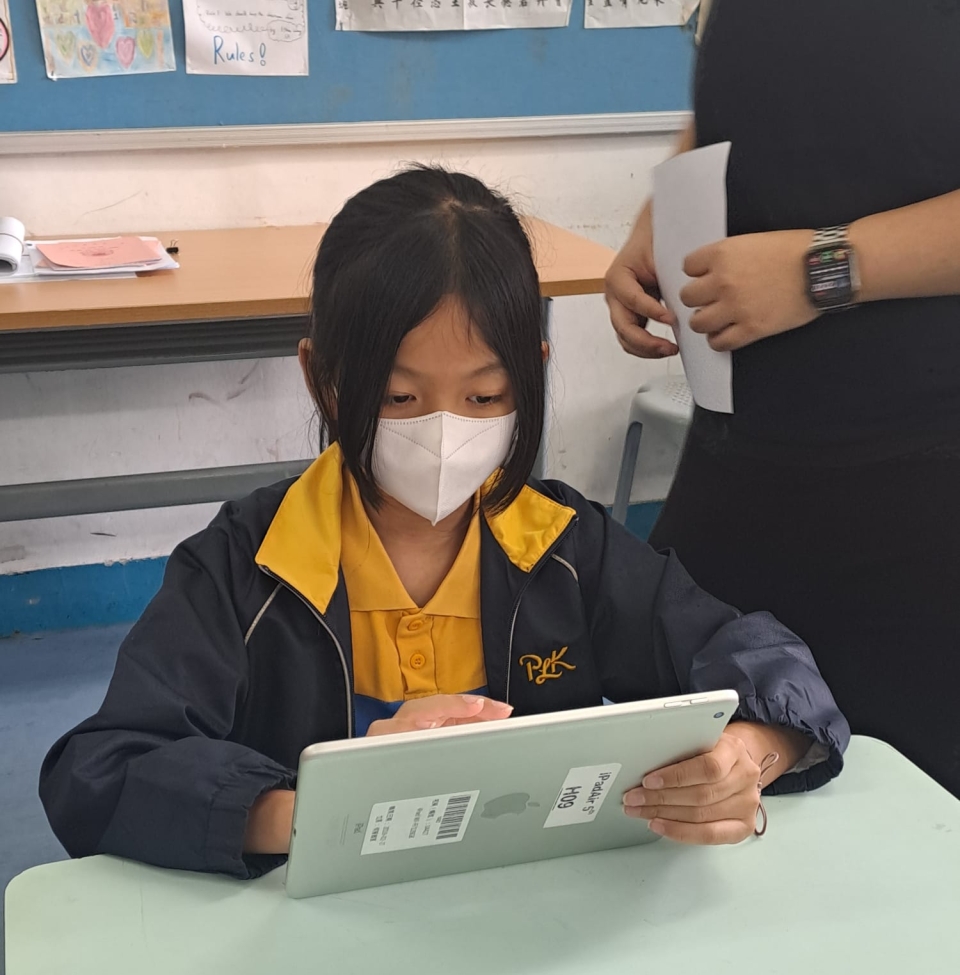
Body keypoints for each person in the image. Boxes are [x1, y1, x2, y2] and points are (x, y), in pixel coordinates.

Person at [40, 167, 848, 879]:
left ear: (531, 375)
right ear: (322, 381)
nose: (442, 430)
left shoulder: (563, 548)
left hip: (521, 917)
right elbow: (99, 773)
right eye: (398, 397)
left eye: (484, 396)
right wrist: (322, 811)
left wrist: (749, 754)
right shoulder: (247, 567)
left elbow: (762, 660)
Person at [605, 0, 960, 797]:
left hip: (921, 485)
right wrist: (660, 220)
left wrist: (824, 271)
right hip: (740, 453)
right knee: (681, 780)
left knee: (902, 807)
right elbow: (753, 103)